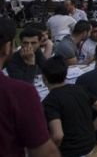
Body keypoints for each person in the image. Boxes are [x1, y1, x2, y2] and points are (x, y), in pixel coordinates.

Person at [0, 17, 61, 157]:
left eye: (34, 43)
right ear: (9, 46)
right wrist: (31, 64)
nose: (29, 47)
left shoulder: (37, 52)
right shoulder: (14, 61)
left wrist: (48, 48)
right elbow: (25, 85)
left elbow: (47, 70)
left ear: (40, 43)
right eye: (25, 43)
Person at [41, 55, 97, 157]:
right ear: (66, 73)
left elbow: (58, 135)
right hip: (89, 146)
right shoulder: (80, 89)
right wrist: (90, 130)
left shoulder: (50, 101)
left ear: (44, 78)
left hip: (70, 152)